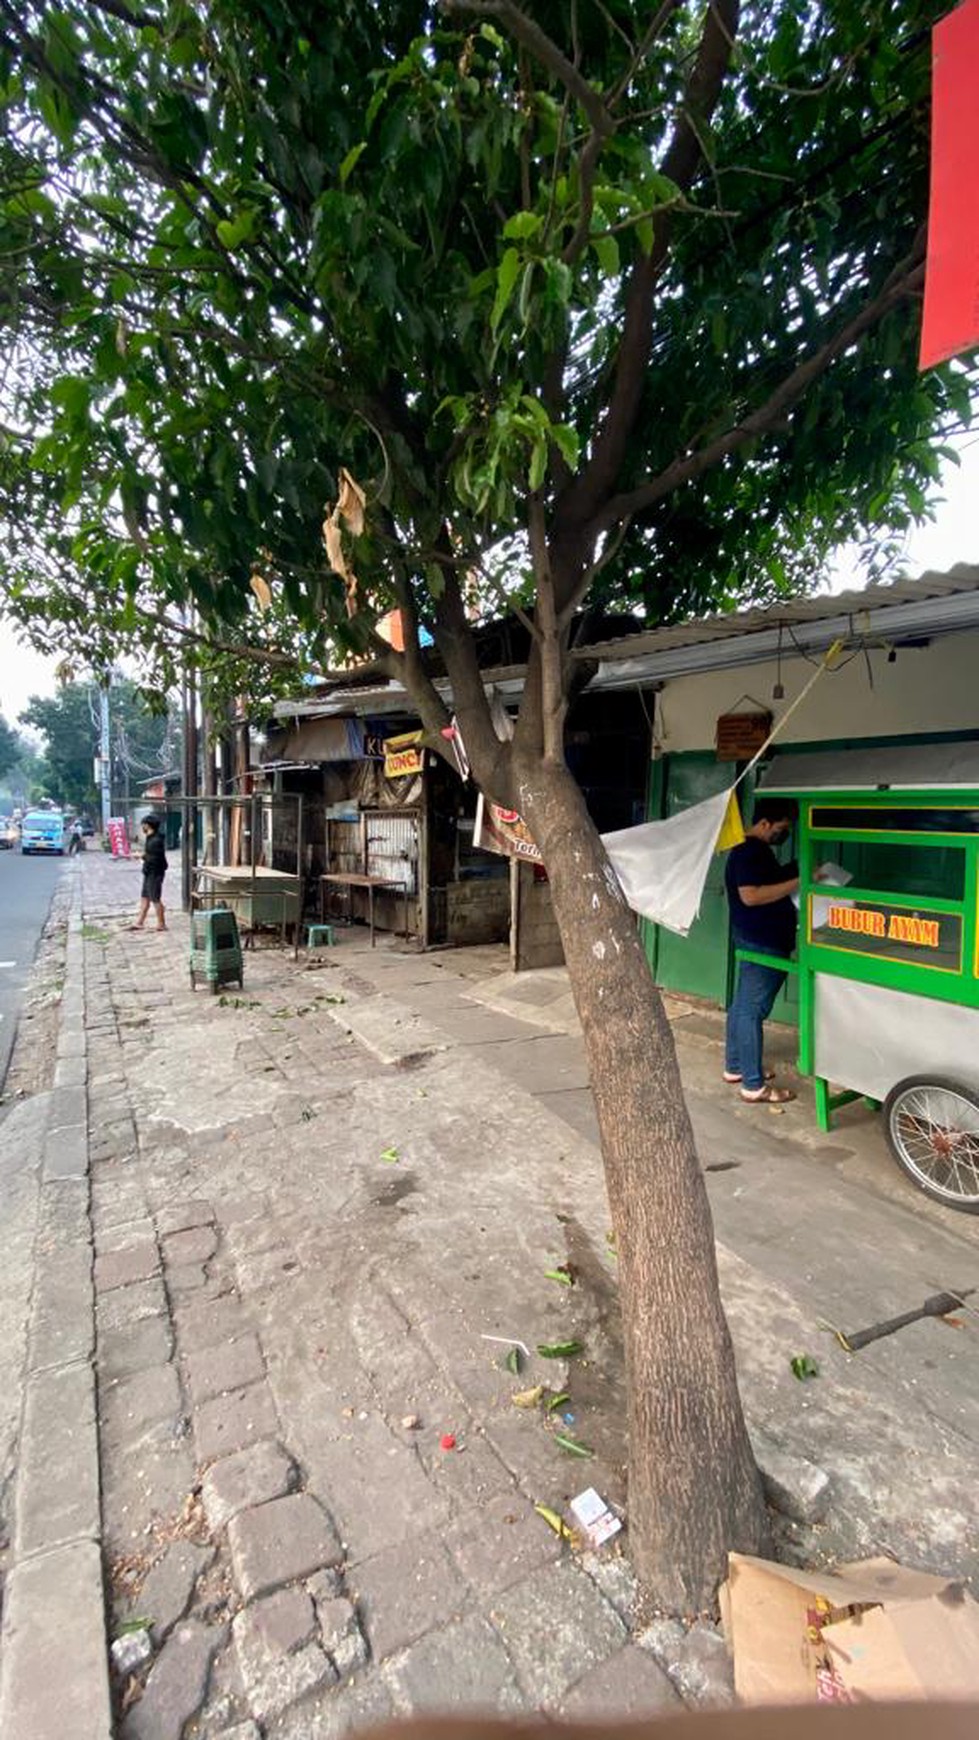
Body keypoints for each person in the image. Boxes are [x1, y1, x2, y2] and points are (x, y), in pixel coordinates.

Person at [723, 796, 799, 1104]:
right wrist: (799, 882)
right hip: (763, 941)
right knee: (752, 1011)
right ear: (765, 823)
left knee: (742, 1006)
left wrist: (792, 873)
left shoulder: (754, 850)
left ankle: (736, 1066)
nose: (785, 833)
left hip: (756, 937)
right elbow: (751, 895)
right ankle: (753, 1086)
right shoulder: (750, 851)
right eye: (782, 827)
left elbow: (765, 882)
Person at [131, 813, 168, 932]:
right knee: (145, 897)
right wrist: (143, 856)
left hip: (155, 873)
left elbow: (154, 858)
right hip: (148, 872)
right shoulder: (151, 838)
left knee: (155, 898)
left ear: (148, 825)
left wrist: (142, 856)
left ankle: (161, 923)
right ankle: (139, 922)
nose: (142, 827)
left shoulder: (155, 840)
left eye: (144, 825)